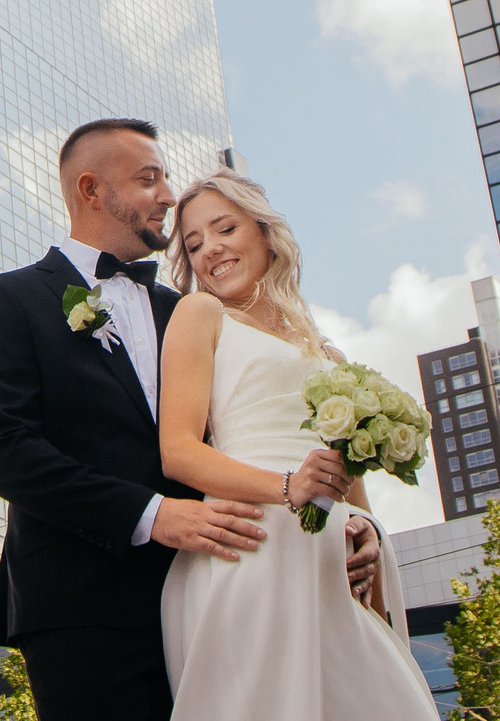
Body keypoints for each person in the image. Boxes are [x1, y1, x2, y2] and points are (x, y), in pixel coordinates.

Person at [0, 120, 383, 721]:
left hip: (214, 589)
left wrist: (342, 522)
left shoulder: (194, 312)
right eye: (149, 179)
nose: (168, 195)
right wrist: (155, 515)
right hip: (83, 605)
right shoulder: (8, 299)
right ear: (90, 190)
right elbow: (5, 450)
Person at [157, 167, 437, 718]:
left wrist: (368, 533)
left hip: (333, 559)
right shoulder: (200, 314)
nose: (210, 250)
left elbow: (348, 484)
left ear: (264, 232)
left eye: (225, 229)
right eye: (194, 244)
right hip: (254, 550)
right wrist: (288, 487)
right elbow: (178, 451)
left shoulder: (326, 353)